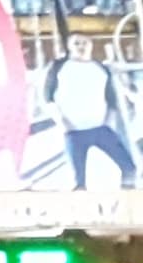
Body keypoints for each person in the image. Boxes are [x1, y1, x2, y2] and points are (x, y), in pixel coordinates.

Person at [44, 48, 136, 191]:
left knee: (129, 168)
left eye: (84, 42)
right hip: (74, 130)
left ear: (90, 45)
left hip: (100, 127)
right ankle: (81, 208)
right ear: (69, 46)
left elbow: (110, 96)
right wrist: (61, 122)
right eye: (76, 43)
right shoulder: (59, 67)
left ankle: (127, 200)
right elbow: (48, 97)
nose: (80, 46)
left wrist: (108, 120)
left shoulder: (100, 67)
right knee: (78, 182)